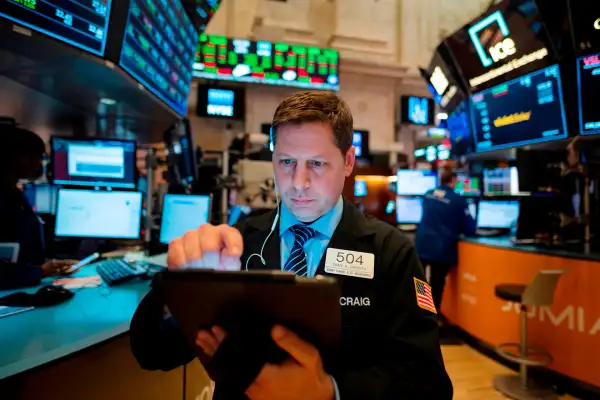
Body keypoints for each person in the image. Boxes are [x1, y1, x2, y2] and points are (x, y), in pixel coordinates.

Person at [130, 92, 453, 400]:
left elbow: (428, 385)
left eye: (316, 163)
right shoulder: (235, 245)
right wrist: (179, 286)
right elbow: (152, 352)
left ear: (348, 161)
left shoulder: (389, 252)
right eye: (286, 162)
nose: (298, 182)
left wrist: (330, 393)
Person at [0, 124, 76, 290]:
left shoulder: (15, 194)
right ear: (15, 157)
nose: (39, 163)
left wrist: (47, 266)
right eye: (35, 156)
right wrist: (39, 271)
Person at [414, 168, 476, 313]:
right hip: (441, 248)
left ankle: (418, 314)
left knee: (420, 282)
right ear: (453, 180)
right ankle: (431, 318)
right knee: (436, 284)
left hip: (422, 244)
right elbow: (469, 229)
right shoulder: (457, 200)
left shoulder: (428, 194)